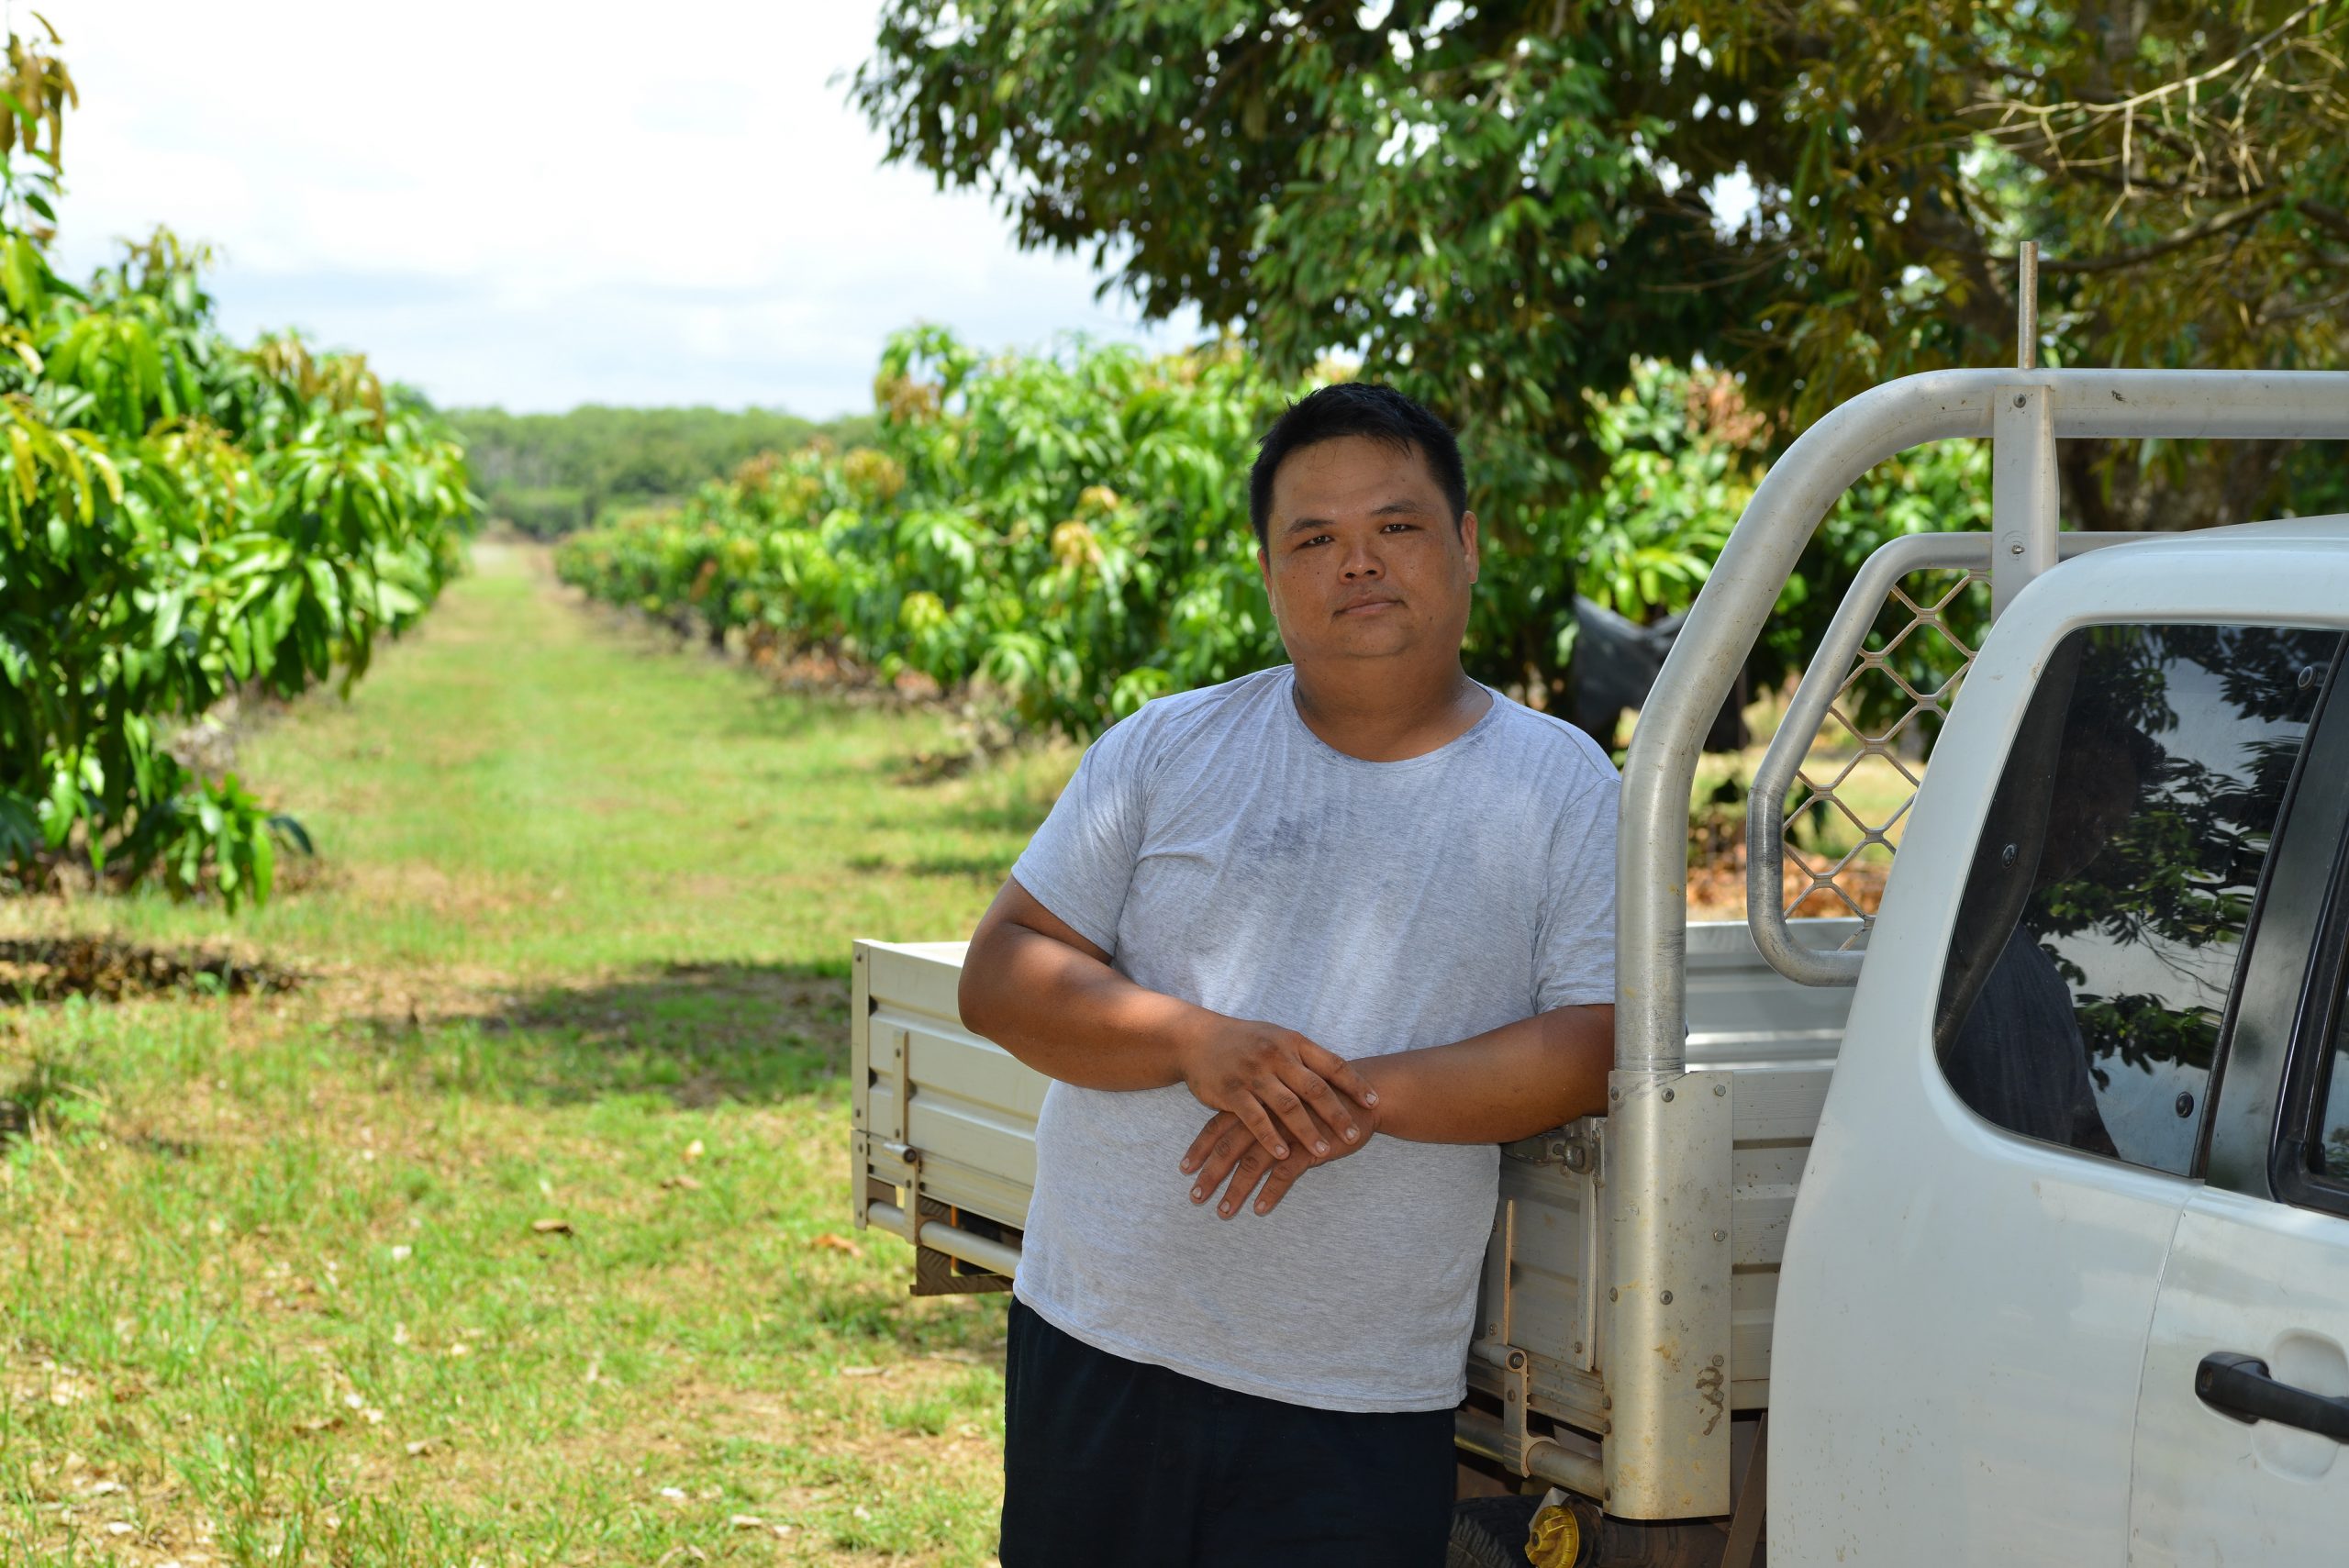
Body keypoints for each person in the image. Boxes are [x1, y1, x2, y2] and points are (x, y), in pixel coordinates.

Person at [956, 384, 1620, 1567]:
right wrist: (1195, 1043)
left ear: (1466, 544)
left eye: (1396, 527)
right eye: (1313, 539)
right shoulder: (1167, 748)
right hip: (1097, 1336)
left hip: (1354, 1389)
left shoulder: (1563, 790)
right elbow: (1003, 971)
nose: (1356, 564)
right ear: (1269, 572)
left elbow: (1590, 1043)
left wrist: (1333, 1096)